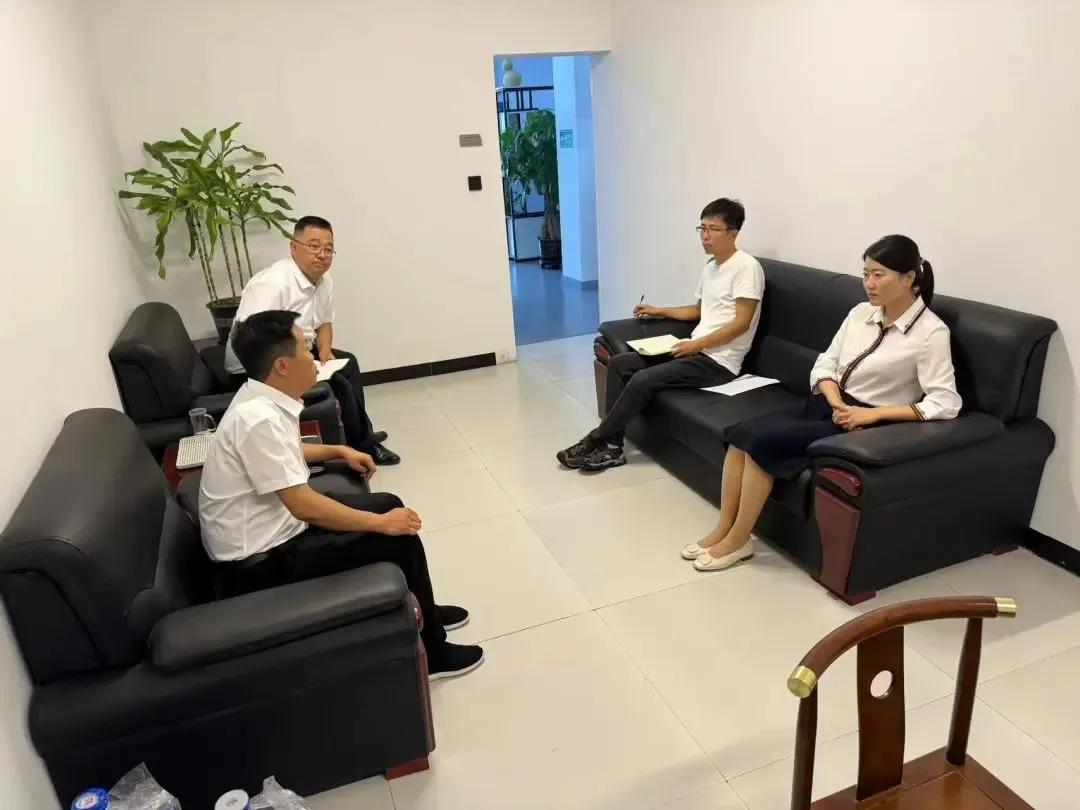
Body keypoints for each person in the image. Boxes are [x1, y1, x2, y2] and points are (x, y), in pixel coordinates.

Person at [201, 310, 483, 679]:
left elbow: (284, 454)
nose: (314, 356)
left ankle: (425, 610)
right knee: (398, 538)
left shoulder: (259, 398)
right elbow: (303, 505)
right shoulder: (258, 419)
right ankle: (434, 652)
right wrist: (379, 524)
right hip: (261, 565)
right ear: (283, 366)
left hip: (273, 533)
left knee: (389, 504)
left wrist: (338, 450)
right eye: (305, 349)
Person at [682, 234, 962, 571]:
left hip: (865, 424)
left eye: (879, 275)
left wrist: (871, 415)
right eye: (865, 274)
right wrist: (833, 397)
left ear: (908, 278)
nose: (869, 284)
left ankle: (739, 540)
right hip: (827, 404)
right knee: (740, 434)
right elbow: (826, 362)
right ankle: (724, 528)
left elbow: (945, 401)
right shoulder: (860, 313)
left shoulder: (931, 333)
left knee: (760, 443)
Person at [557, 198, 765, 471]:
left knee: (643, 379)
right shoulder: (711, 267)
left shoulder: (746, 267)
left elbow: (741, 323)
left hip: (719, 362)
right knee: (620, 363)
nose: (705, 236)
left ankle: (598, 439)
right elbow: (700, 310)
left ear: (733, 233)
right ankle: (612, 445)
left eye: (713, 229)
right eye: (702, 228)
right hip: (695, 349)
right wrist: (659, 311)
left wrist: (697, 345)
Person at [224, 215, 400, 465]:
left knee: (348, 363)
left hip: (297, 352)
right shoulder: (272, 284)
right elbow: (252, 339)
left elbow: (324, 322)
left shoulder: (324, 280)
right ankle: (365, 446)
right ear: (294, 247)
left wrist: (325, 352)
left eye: (328, 249)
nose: (322, 255)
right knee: (338, 384)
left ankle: (361, 433)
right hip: (259, 363)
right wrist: (301, 363)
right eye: (314, 246)